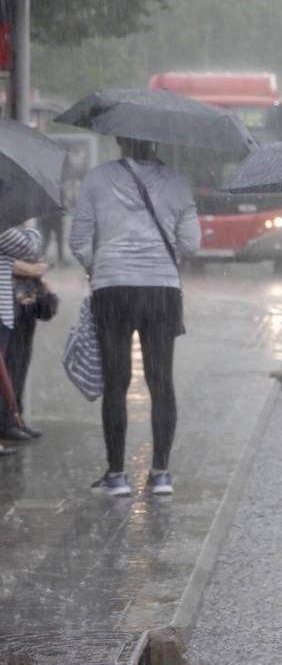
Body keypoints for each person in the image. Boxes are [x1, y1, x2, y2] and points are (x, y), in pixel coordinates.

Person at [69, 138, 200, 498]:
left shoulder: (96, 178)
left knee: (116, 381)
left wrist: (100, 267)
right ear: (159, 139)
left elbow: (79, 239)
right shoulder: (178, 182)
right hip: (162, 290)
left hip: (112, 289)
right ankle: (160, 474)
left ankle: (116, 475)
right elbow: (191, 243)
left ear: (119, 140)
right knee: (161, 381)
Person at [0, 223, 42, 448]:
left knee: (16, 362)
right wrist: (31, 228)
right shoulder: (4, 221)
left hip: (18, 299)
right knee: (9, 366)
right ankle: (8, 420)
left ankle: (14, 417)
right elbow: (28, 247)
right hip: (7, 302)